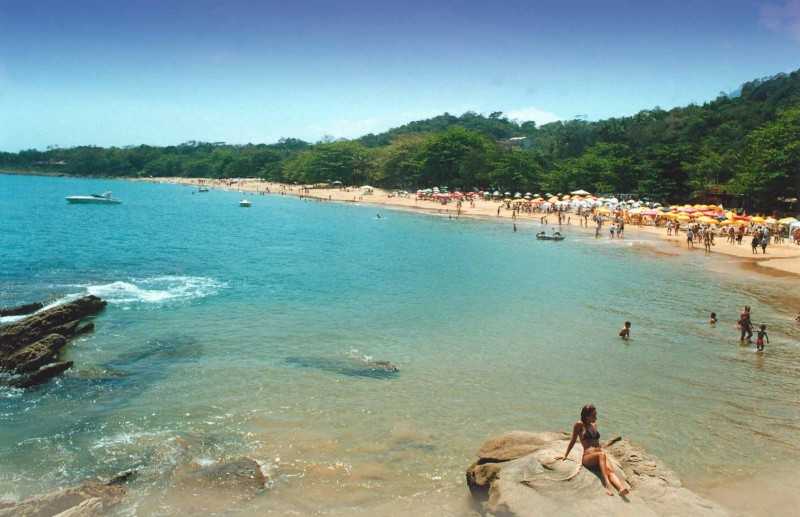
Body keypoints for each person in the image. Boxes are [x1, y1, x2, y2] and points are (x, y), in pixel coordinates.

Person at [560, 404, 629, 497]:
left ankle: (621, 488)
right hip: (588, 458)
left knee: (610, 470)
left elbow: (596, 442)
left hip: (599, 456)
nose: (596, 417)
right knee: (601, 455)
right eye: (594, 415)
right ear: (586, 416)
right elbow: (573, 440)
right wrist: (565, 455)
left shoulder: (594, 425)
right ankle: (607, 485)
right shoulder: (579, 424)